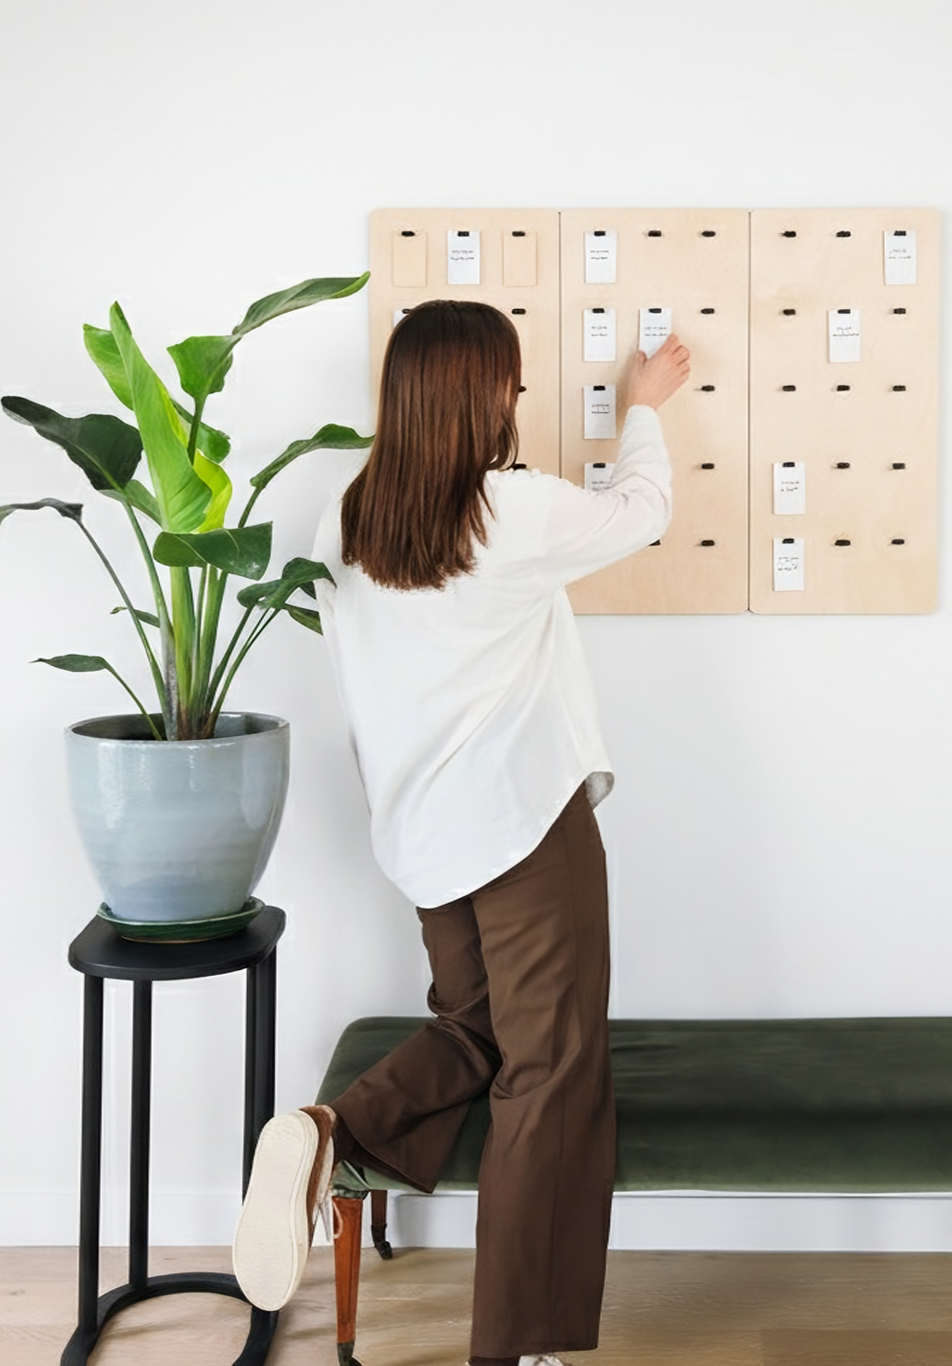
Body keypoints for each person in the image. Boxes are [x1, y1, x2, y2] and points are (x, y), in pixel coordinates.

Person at [233, 298, 691, 1366]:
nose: (518, 401)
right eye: (513, 384)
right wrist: (641, 408)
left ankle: (325, 1129)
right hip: (526, 825)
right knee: (551, 1068)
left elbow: (358, 682)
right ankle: (514, 1347)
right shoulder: (509, 509)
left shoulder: (344, 519)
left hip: (421, 837)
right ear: (483, 393)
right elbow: (640, 510)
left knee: (474, 1034)